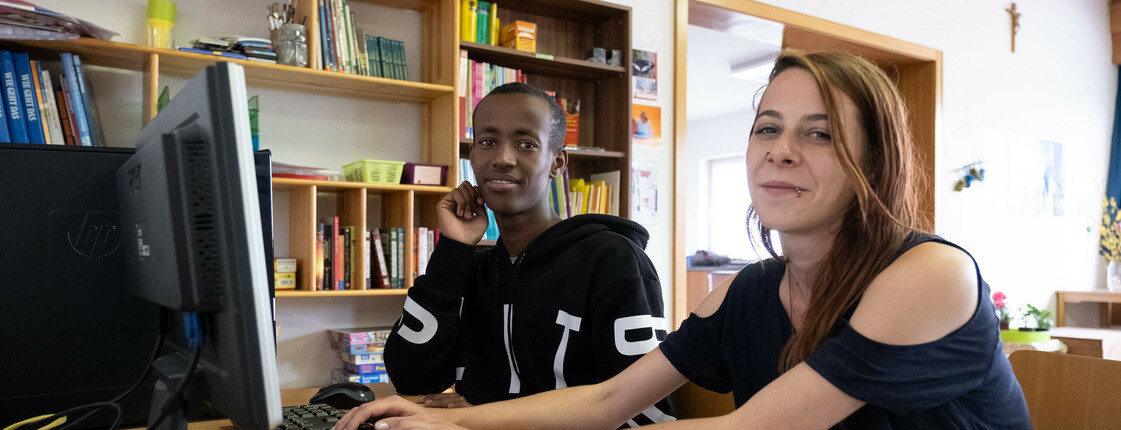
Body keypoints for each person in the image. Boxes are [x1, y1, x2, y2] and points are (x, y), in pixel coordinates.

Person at [338, 51, 1032, 429]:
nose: (780, 151)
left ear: (874, 163)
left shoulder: (928, 274)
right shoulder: (747, 292)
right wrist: (454, 425)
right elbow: (608, 400)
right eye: (767, 127)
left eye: (817, 132)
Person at [381, 82, 675, 425]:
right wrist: (453, 249)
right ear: (472, 157)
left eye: (526, 144)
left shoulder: (612, 260)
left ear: (557, 162)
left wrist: (485, 420)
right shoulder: (473, 269)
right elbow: (410, 379)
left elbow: (648, 417)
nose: (502, 158)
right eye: (487, 142)